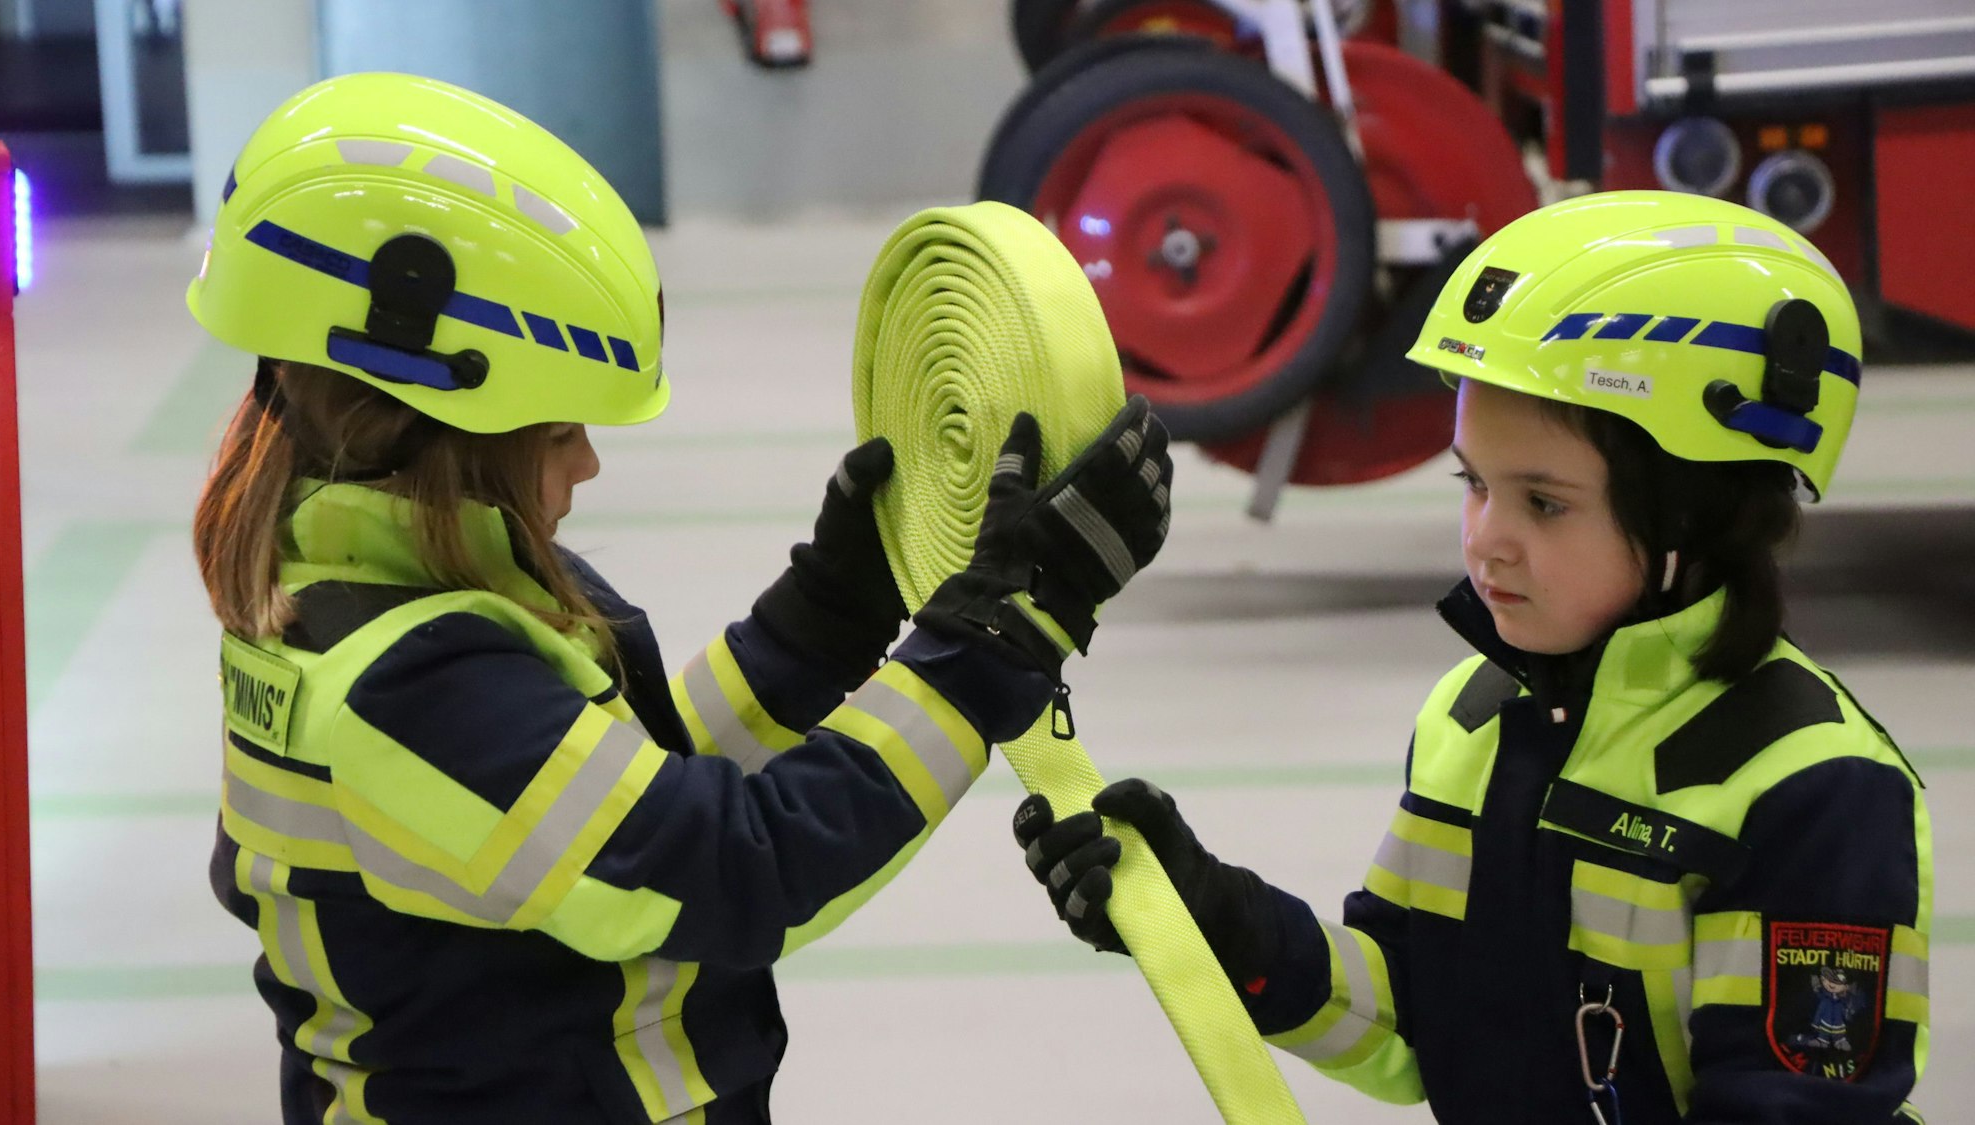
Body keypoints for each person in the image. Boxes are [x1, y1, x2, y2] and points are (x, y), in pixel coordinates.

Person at [188, 72, 1172, 1124]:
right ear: (435, 429)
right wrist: (991, 648)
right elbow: (733, 869)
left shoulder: (396, 594)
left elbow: (618, 793)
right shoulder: (409, 688)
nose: (587, 466)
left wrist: (823, 619)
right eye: (560, 431)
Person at [1013, 191, 1931, 1124]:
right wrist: (1209, 916)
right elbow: (1408, 1020)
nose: (1486, 540)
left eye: (1544, 502)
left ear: (1695, 514)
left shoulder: (1811, 789)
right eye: (1474, 483)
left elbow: (1790, 1105)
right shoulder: (1476, 715)